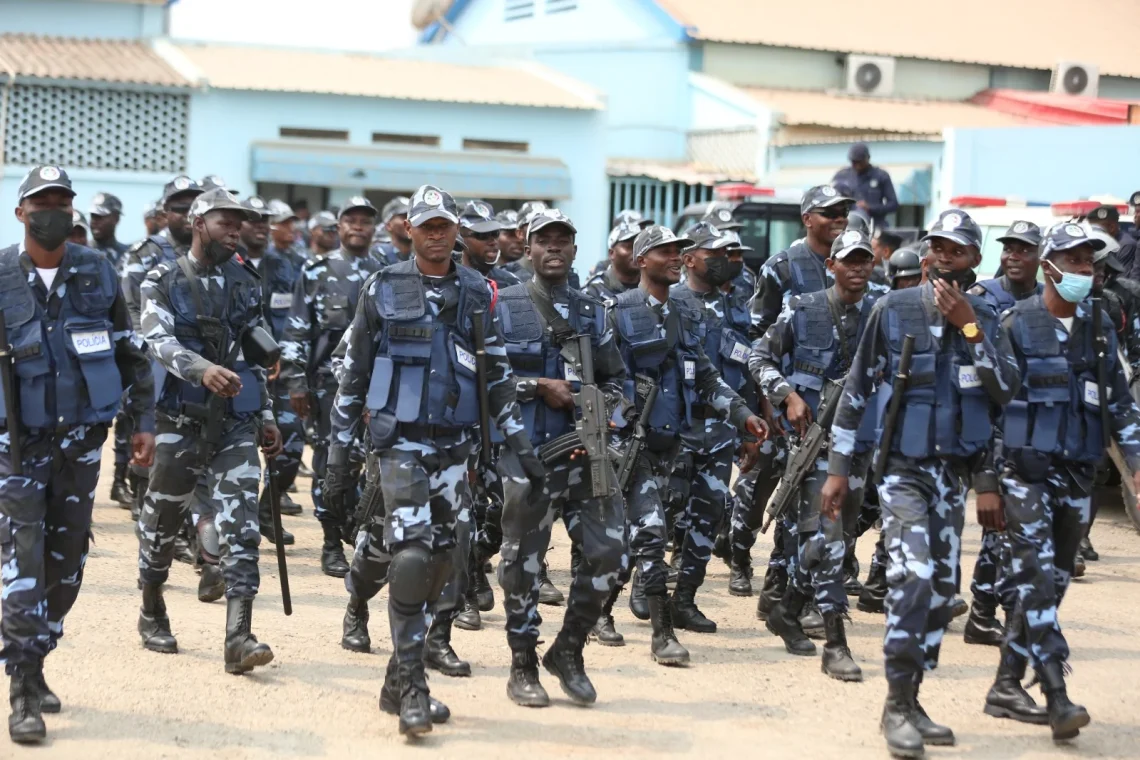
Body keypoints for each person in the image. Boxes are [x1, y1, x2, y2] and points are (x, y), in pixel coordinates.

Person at [325, 184, 542, 736]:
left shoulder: (477, 291)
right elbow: (354, 374)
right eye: (428, 226)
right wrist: (338, 455)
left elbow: (496, 375)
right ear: (409, 231)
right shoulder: (382, 286)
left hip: (456, 447)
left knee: (448, 558)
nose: (438, 234)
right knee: (414, 553)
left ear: (456, 232)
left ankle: (396, 680)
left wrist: (522, 449)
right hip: (399, 442)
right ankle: (414, 687)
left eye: (446, 225)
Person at [819, 209, 1019, 758]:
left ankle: (914, 695)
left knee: (939, 595)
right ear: (927, 253)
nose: (944, 257)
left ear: (975, 259)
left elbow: (1003, 395)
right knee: (912, 580)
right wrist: (838, 470)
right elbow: (857, 390)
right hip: (903, 472)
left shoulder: (988, 318)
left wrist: (969, 325)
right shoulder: (894, 308)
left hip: (953, 478)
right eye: (938, 247)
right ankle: (897, 704)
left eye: (957, 249)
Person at [0, 166, 155, 744]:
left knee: (66, 565)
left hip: (81, 445)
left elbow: (129, 350)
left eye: (62, 202)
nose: (54, 211)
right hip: (15, 446)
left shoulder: (96, 270)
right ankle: (23, 685)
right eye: (42, 202)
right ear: (21, 212)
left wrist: (142, 423)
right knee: (22, 557)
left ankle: (38, 655)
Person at [982, 222, 1140, 742]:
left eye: (1089, 263)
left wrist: (1136, 463)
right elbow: (989, 407)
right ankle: (1055, 692)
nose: (1083, 271)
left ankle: (1006, 684)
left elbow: (1118, 400)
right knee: (1034, 575)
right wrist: (988, 481)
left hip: (1078, 474)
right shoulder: (1015, 324)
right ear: (1049, 266)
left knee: (1053, 583)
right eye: (1073, 262)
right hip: (1025, 473)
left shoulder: (1099, 323)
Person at [135, 187, 283, 674]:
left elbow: (256, 355)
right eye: (227, 223)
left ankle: (239, 636)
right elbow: (157, 340)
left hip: (235, 425)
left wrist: (265, 416)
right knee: (162, 523)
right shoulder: (162, 278)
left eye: (240, 223)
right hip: (181, 420)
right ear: (200, 224)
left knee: (243, 527)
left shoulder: (245, 280)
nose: (237, 231)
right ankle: (152, 606)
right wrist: (201, 370)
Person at [610, 224, 768, 666]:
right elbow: (602, 379)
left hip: (673, 439)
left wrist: (743, 414)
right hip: (631, 446)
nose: (676, 257)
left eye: (679, 251)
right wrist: (614, 429)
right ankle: (639, 626)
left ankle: (657, 618)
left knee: (654, 533)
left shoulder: (684, 316)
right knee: (641, 535)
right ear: (642, 261)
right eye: (665, 252)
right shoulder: (617, 311)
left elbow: (706, 375)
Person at [493, 209, 628, 706]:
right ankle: (523, 663)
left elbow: (618, 378)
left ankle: (568, 649)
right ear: (527, 248)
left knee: (611, 552)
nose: (553, 247)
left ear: (574, 249)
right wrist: (537, 386)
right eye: (543, 240)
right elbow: (481, 377)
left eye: (563, 241)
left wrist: (609, 410)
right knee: (522, 564)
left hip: (586, 452)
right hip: (525, 454)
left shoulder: (594, 310)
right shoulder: (501, 305)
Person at [751, 228, 880, 681]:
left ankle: (785, 608)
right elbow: (759, 357)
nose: (859, 267)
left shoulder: (882, 312)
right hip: (815, 443)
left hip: (863, 443)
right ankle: (836, 642)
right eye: (850, 260)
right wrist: (786, 395)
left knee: (839, 535)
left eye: (865, 259)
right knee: (827, 537)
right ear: (833, 266)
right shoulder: (802, 310)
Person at [732, 185, 850, 624]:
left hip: (837, 408)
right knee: (783, 489)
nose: (839, 217)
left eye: (843, 211)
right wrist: (771, 403)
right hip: (789, 402)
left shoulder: (852, 265)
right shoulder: (782, 267)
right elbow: (756, 338)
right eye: (829, 212)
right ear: (807, 218)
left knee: (812, 496)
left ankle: (784, 584)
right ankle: (757, 563)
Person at [280, 196, 382, 577]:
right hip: (328, 386)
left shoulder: (387, 271)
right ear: (338, 227)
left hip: (377, 387)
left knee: (373, 464)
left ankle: (361, 533)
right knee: (330, 463)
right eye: (351, 220)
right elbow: (297, 327)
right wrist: (295, 381)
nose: (358, 227)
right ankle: (330, 541)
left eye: (365, 221)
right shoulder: (316, 270)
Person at [667, 223, 759, 633]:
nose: (725, 261)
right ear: (689, 259)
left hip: (721, 429)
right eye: (715, 254)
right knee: (664, 513)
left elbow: (744, 368)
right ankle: (641, 590)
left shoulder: (735, 305)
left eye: (729, 254)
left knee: (708, 517)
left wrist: (747, 426)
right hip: (675, 430)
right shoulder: (668, 302)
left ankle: (685, 600)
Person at [960, 221, 1044, 648]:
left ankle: (989, 614)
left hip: (1033, 424)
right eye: (1008, 248)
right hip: (993, 421)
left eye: (1023, 249)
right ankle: (984, 611)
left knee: (1015, 529)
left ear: (1038, 256)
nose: (1013, 255)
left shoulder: (1049, 301)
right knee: (998, 526)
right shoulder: (981, 299)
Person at [120, 175, 204, 542]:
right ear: (165, 212)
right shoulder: (145, 254)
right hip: (153, 361)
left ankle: (188, 534)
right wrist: (154, 348)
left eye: (193, 209)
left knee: (194, 450)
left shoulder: (216, 256)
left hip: (200, 367)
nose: (186, 216)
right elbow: (129, 311)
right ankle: (148, 518)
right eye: (178, 209)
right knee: (154, 446)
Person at [240, 196, 305, 528]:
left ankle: (269, 506)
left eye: (265, 220)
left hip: (280, 369)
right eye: (253, 219)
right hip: (240, 371)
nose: (261, 226)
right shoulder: (229, 264)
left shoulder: (284, 265)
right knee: (241, 448)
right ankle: (242, 520)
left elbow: (296, 317)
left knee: (291, 440)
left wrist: (287, 356)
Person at [832, 143, 899, 228]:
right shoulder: (842, 175)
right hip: (848, 226)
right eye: (853, 161)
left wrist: (870, 208)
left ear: (867, 158)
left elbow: (893, 205)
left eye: (859, 162)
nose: (856, 165)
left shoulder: (881, 175)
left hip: (875, 225)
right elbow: (832, 201)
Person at [458, 200, 519, 289]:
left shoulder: (512, 283)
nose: (493, 242)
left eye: (495, 233)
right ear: (460, 237)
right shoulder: (449, 283)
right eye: (482, 235)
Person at [585, 219, 641, 303]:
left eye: (640, 246)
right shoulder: (594, 289)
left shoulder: (653, 286)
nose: (636, 252)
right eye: (629, 247)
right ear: (611, 253)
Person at [88, 192, 128, 270]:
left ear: (116, 219)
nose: (94, 221)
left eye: (100, 217)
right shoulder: (81, 252)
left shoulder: (127, 255)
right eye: (93, 216)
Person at [267, 200, 307, 271]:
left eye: (291, 222)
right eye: (284, 223)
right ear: (271, 226)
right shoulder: (263, 256)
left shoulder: (299, 255)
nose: (291, 227)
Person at [374, 196, 412, 265]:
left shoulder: (421, 256)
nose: (410, 221)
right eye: (404, 216)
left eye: (412, 216)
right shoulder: (378, 255)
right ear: (388, 225)